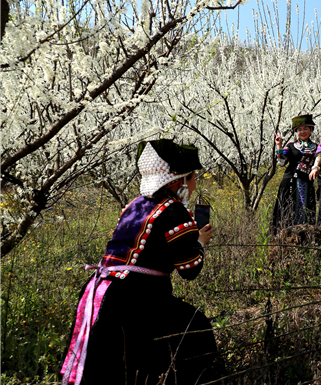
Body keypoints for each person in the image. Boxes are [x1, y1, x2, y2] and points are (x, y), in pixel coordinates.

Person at [61, 139, 218, 385]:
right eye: (193, 177)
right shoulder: (175, 211)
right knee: (195, 329)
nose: (196, 182)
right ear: (181, 180)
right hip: (134, 298)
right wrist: (199, 242)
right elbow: (189, 269)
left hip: (98, 291)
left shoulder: (134, 205)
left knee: (105, 365)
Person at [271, 114, 318, 234]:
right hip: (290, 182)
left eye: (305, 128)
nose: (302, 132)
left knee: (306, 210)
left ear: (311, 130)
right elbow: (282, 162)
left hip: (307, 183)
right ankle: (285, 238)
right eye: (299, 129)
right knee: (288, 211)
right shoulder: (291, 146)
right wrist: (279, 146)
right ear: (296, 132)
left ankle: (305, 238)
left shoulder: (316, 147)